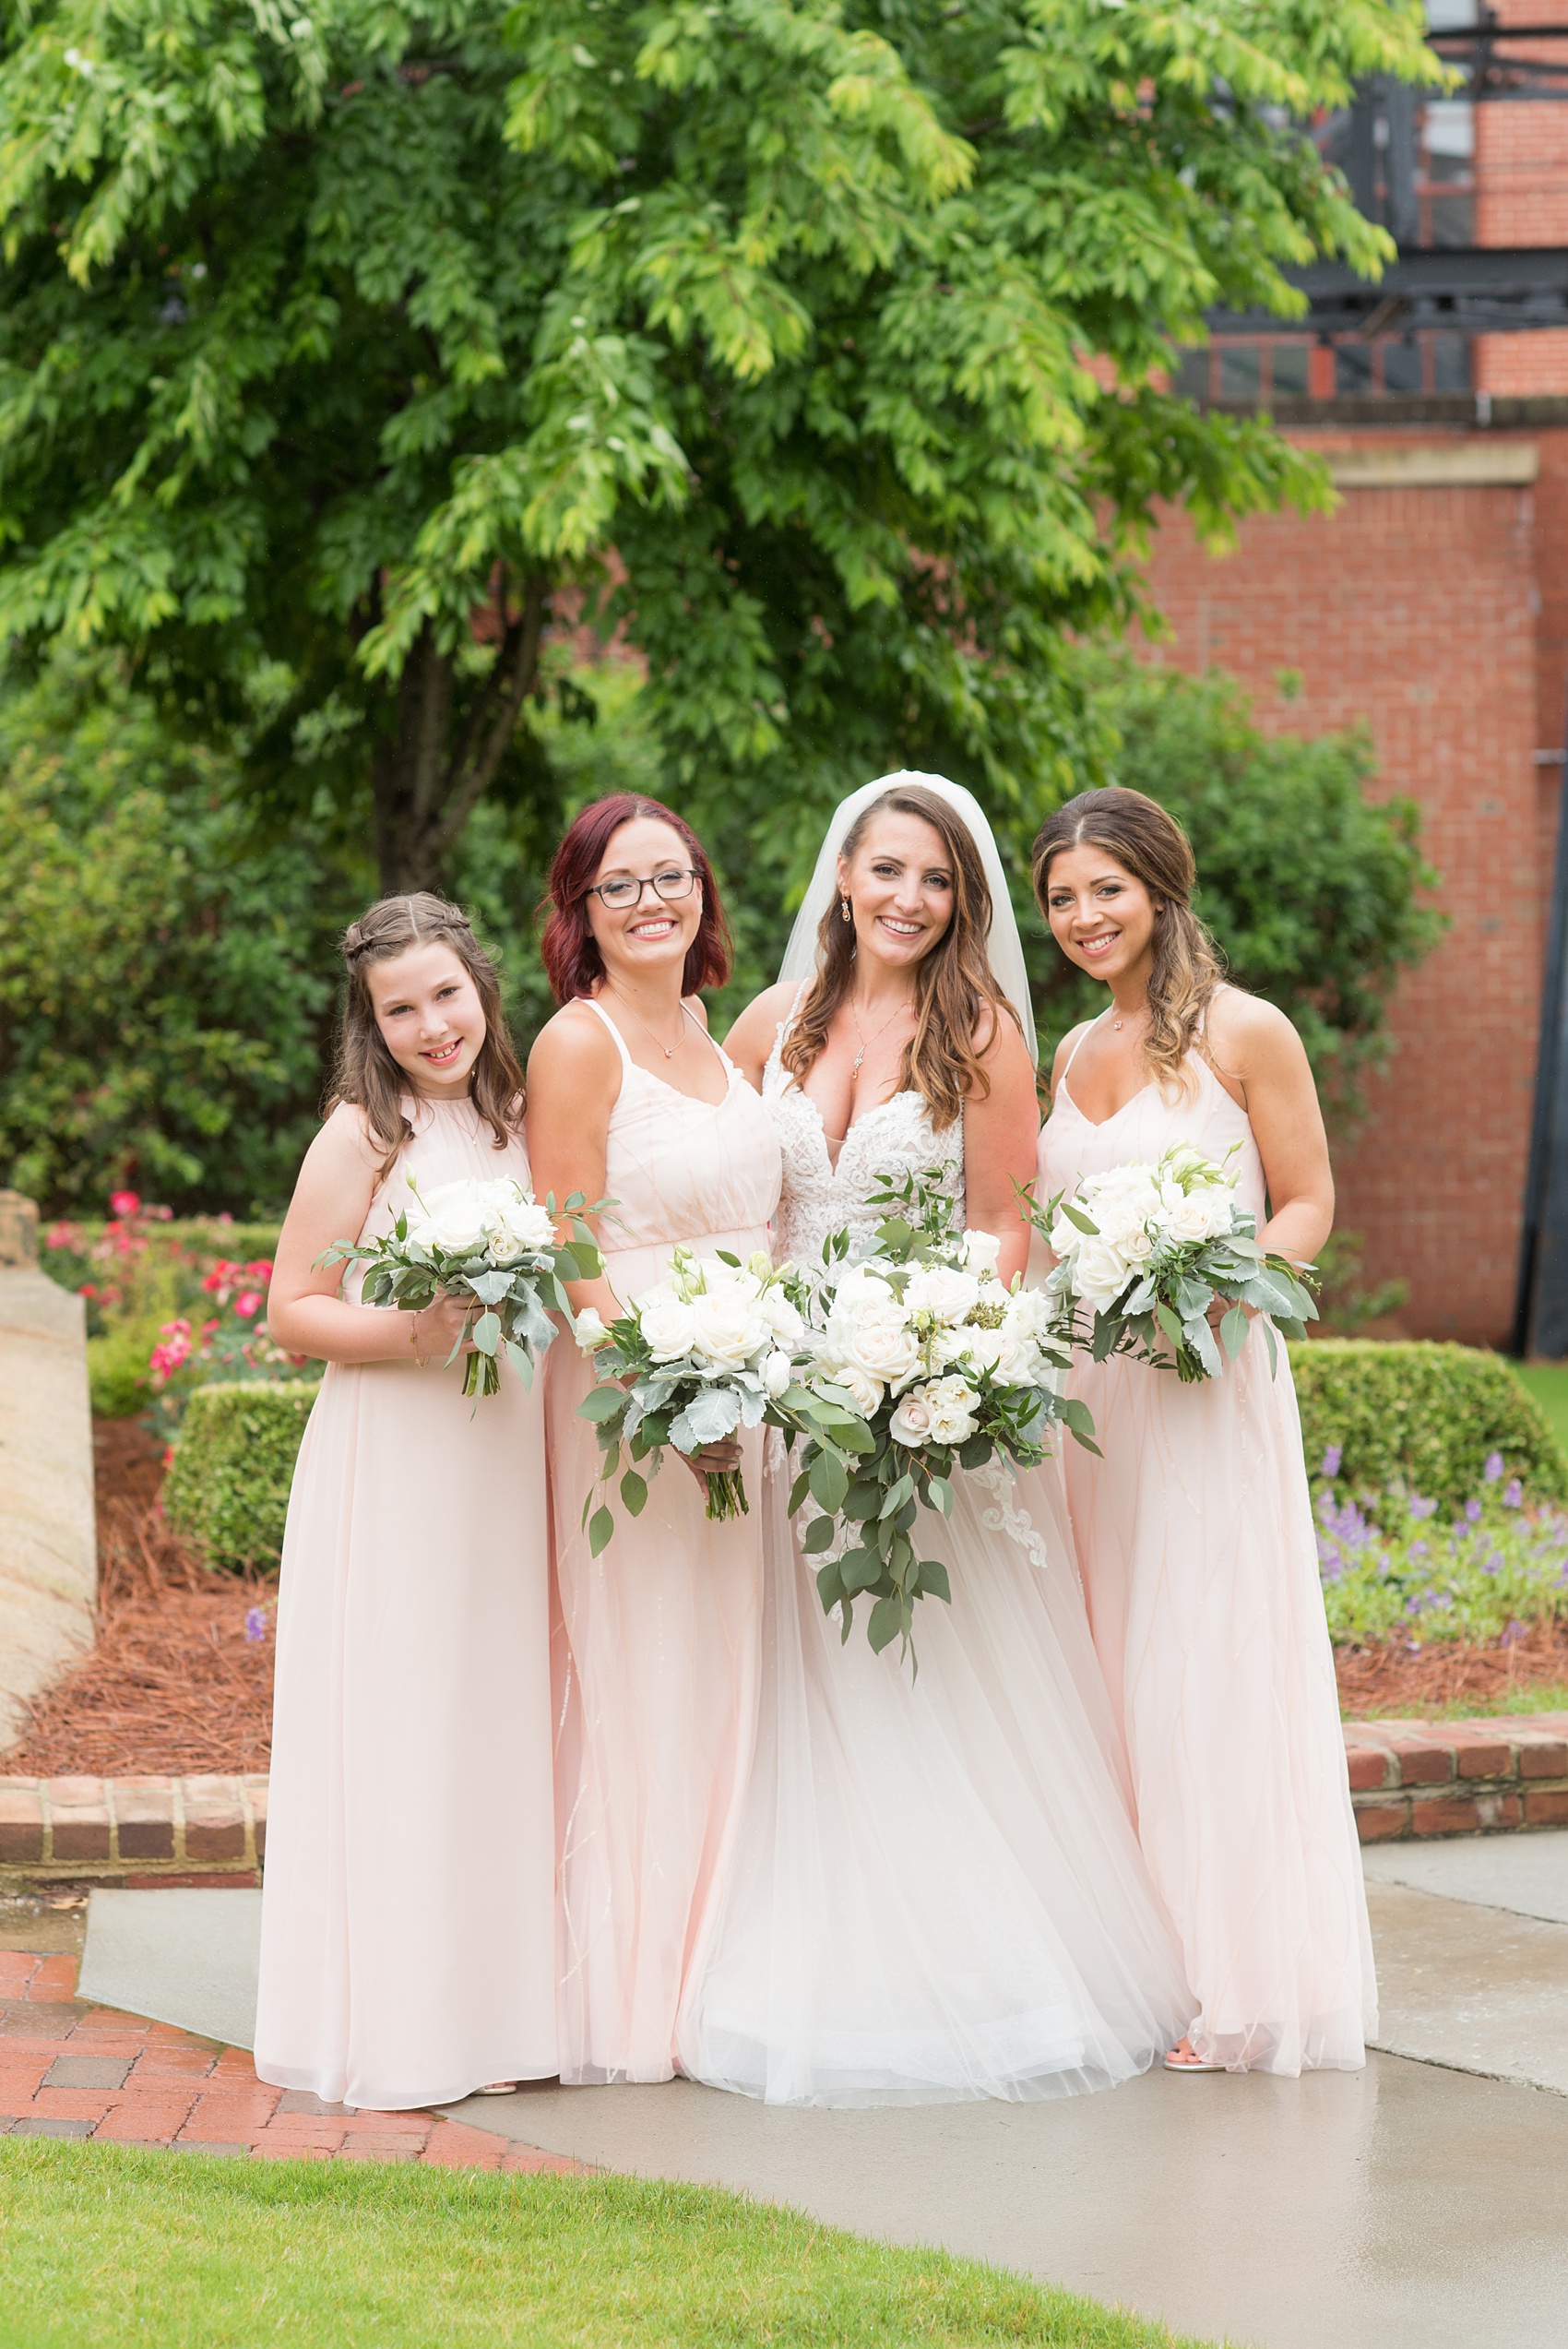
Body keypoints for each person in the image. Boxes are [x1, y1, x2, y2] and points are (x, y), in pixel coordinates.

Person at [675, 774, 1192, 2107]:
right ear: (842, 873)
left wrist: (939, 1361)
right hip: (786, 1397)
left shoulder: (985, 1032)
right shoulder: (768, 1026)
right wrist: (713, 1341)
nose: (909, 898)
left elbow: (1009, 1229)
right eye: (888, 868)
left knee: (917, 1677)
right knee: (802, 1682)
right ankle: (803, 1954)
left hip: (923, 1397)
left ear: (962, 901)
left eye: (938, 879)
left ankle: (973, 1975)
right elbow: (720, 1193)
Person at [1033, 786, 1377, 2076]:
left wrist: (1217, 1282)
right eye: (1062, 897)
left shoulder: (1247, 1031)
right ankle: (1144, 1966)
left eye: (1104, 891)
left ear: (1160, 886)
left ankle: (1236, 1982)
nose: (1082, 917)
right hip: (1093, 1402)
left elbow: (1310, 1200)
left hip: (1202, 1379)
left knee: (1205, 1668)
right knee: (1116, 1674)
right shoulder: (1066, 1055)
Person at [255, 894, 556, 2110]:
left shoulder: (525, 1123)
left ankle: (503, 2011)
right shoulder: (360, 1138)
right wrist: (415, 1330)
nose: (434, 1026)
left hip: (501, 1457)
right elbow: (290, 1311)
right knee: (407, 1722)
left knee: (493, 1719)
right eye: (402, 1009)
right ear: (369, 1026)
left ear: (481, 985)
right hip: (398, 1457)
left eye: (447, 994)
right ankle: (404, 2026)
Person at [526, 793, 782, 2086]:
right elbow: (569, 1247)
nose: (649, 902)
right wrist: (673, 1401)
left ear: (702, 889)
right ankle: (641, 1994)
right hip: (636, 1407)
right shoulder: (578, 1046)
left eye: (669, 875)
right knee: (648, 1679)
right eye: (618, 885)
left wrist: (763, 1381)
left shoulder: (714, 1032)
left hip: (754, 1393)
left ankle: (728, 1967)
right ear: (580, 911)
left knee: (743, 1679)